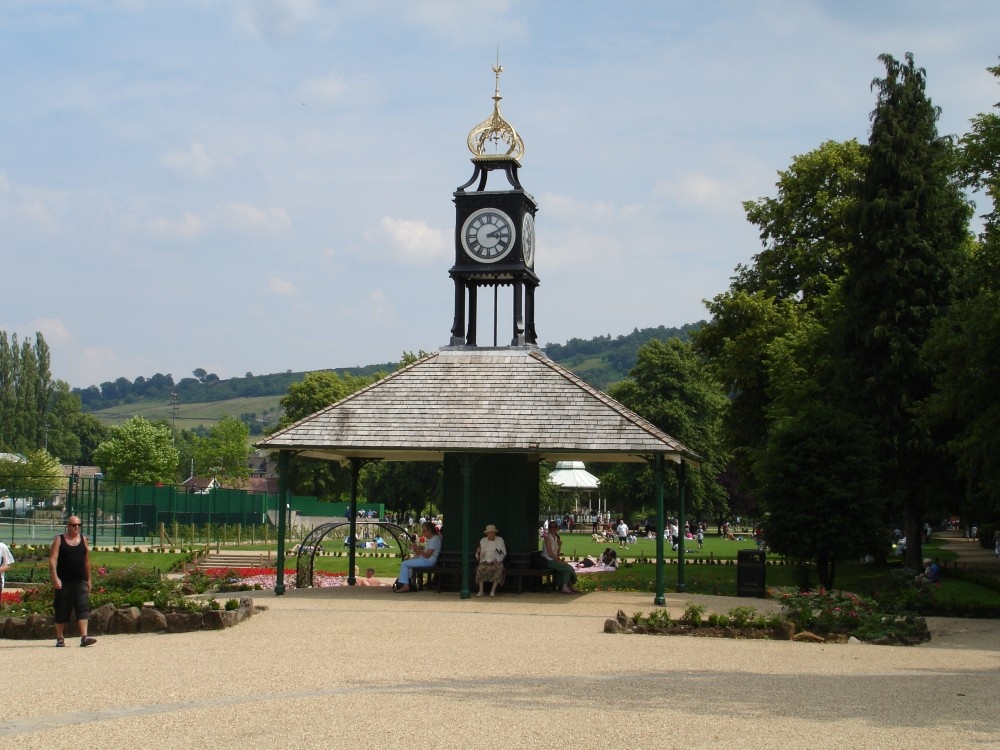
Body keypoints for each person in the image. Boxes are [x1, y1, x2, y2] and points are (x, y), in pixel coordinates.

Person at [49, 516, 97, 647]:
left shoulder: (83, 540)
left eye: (79, 525)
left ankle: (84, 637)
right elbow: (53, 559)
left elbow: (86, 561)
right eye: (74, 525)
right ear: (68, 526)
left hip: (80, 580)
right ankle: (60, 637)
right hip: (64, 580)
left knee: (82, 607)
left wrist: (89, 579)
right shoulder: (60, 539)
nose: (76, 527)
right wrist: (55, 578)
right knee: (62, 608)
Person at [394, 522, 440, 593]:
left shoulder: (434, 540)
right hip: (427, 560)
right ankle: (410, 584)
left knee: (404, 564)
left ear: (430, 531)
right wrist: (418, 548)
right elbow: (428, 550)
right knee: (408, 564)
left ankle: (406, 586)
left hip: (428, 561)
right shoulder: (432, 539)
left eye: (424, 531)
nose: (423, 532)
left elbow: (427, 555)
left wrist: (417, 550)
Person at [541, 520, 579, 594]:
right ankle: (567, 586)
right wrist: (558, 561)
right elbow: (550, 553)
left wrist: (559, 546)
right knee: (567, 568)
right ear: (549, 528)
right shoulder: (548, 537)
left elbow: (556, 554)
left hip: (554, 560)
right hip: (548, 561)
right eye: (551, 527)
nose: (553, 528)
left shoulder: (556, 537)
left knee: (566, 568)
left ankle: (566, 586)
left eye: (555, 526)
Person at [475, 523, 507, 597]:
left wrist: (496, 559)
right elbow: (478, 555)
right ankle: (481, 591)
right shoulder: (483, 540)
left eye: (492, 533)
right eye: (489, 533)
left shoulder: (500, 540)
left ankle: (492, 591)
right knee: (480, 568)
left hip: (496, 561)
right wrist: (478, 552)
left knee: (499, 568)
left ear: (495, 533)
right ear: (487, 534)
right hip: (485, 561)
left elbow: (503, 553)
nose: (491, 534)